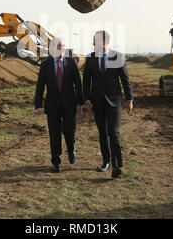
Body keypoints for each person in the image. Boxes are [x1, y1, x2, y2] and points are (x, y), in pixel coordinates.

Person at [83, 30, 133, 178]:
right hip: (96, 101)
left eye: (95, 41)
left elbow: (125, 79)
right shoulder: (90, 58)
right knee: (102, 133)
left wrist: (129, 99)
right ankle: (106, 161)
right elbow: (86, 81)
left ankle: (117, 166)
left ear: (104, 42)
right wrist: (86, 99)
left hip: (115, 101)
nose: (93, 43)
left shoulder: (118, 56)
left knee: (113, 131)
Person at [35, 37, 84, 173]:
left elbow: (78, 85)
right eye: (58, 46)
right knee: (54, 134)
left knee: (69, 131)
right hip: (52, 105)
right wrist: (38, 104)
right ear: (52, 49)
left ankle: (71, 149)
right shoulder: (45, 65)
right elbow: (40, 86)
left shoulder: (72, 63)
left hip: (70, 105)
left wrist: (80, 102)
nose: (60, 48)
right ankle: (56, 161)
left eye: (62, 46)